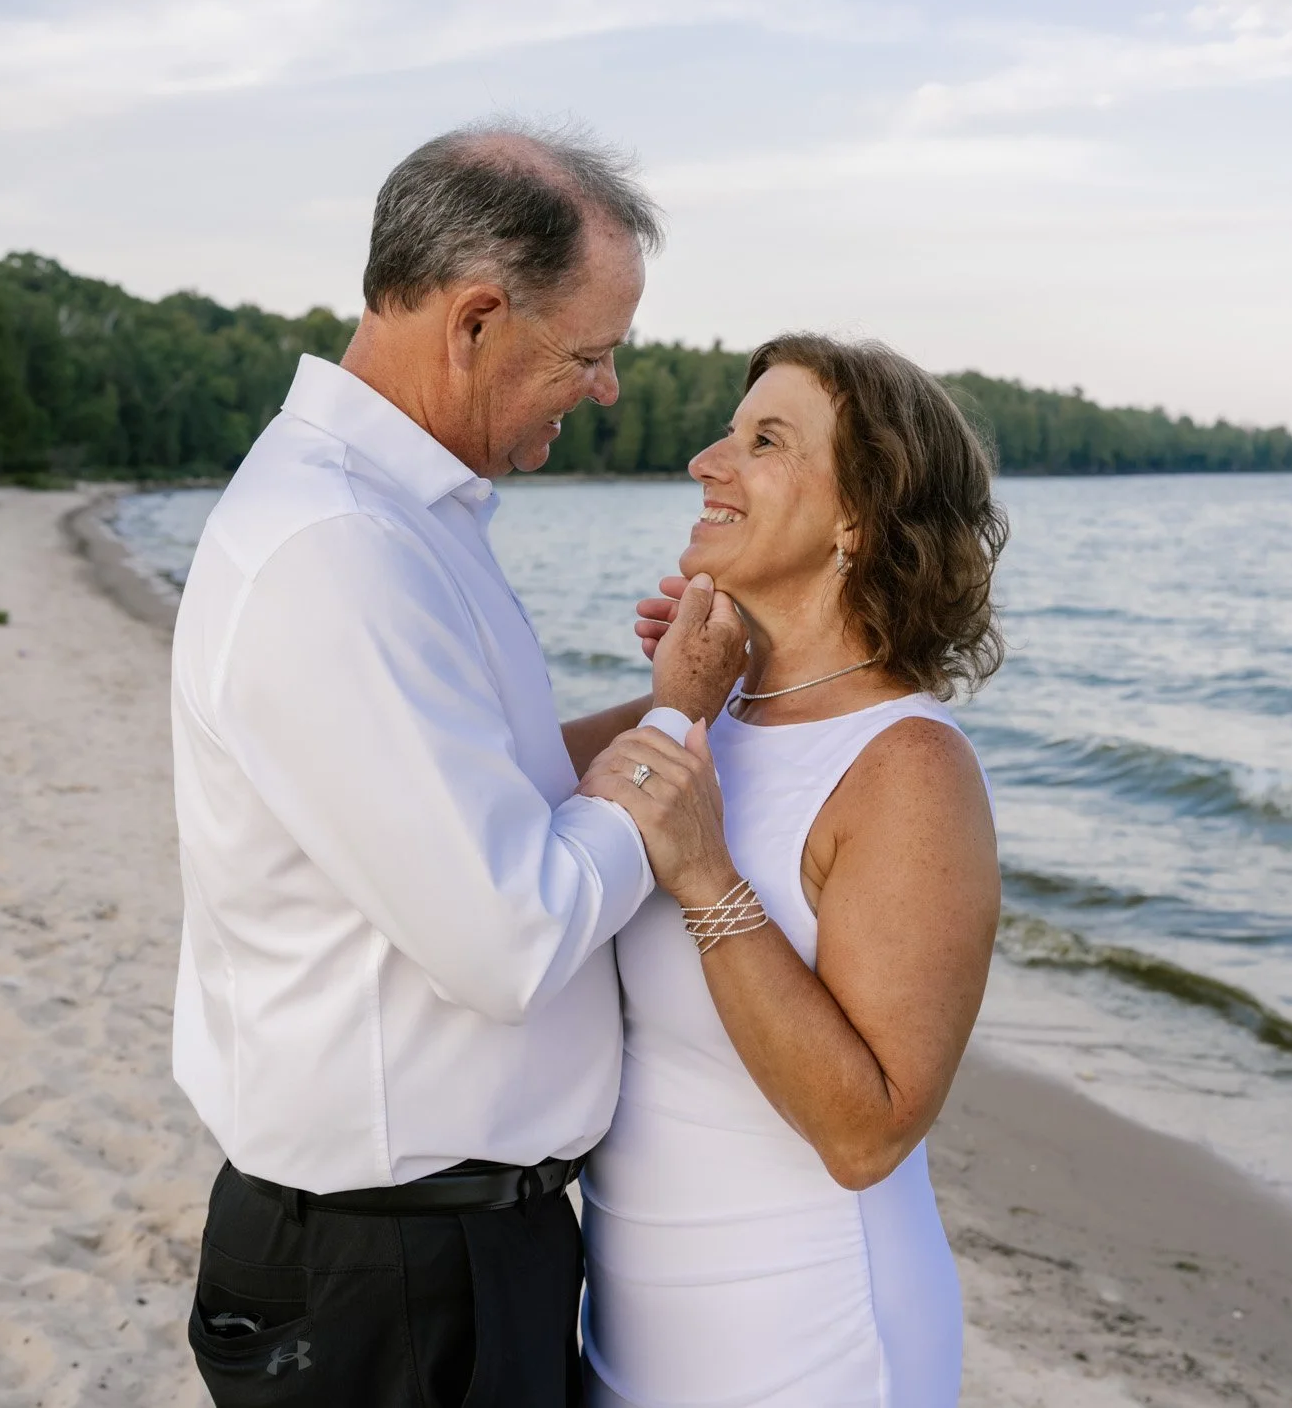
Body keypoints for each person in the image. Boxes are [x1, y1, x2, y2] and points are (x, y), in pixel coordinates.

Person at [166, 123, 748, 1406]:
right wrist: (672, 732)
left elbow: (500, 787)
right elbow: (510, 934)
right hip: (397, 1276)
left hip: (439, 1251)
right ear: (477, 319)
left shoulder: (396, 523)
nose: (603, 391)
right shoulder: (338, 548)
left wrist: (671, 706)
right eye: (589, 355)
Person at [574, 334, 1009, 1406]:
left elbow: (869, 1132)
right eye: (730, 430)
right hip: (625, 1346)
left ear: (860, 516)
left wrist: (708, 875)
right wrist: (682, 696)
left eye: (763, 441)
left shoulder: (908, 766)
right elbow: (499, 804)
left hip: (810, 1352)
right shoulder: (707, 725)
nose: (707, 462)